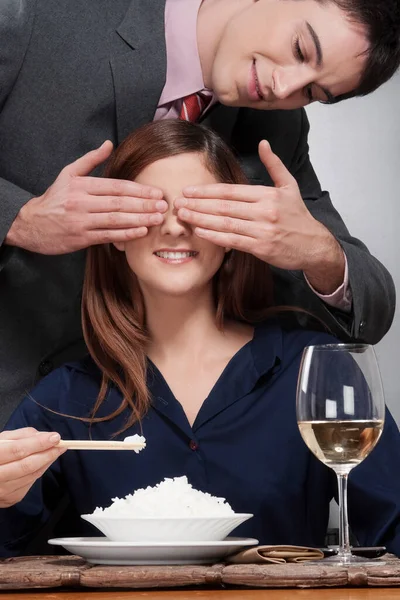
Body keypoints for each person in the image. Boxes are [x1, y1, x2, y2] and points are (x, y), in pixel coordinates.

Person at [0, 120, 399, 558]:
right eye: (151, 207)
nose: (174, 228)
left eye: (197, 208)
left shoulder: (313, 371)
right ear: (113, 230)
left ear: (232, 233)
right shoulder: (65, 397)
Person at [0, 0, 399, 427]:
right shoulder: (38, 15)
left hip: (94, 434)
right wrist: (20, 220)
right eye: (301, 49)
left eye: (313, 93)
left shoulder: (276, 131)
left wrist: (317, 252)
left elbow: (372, 302)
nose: (285, 89)